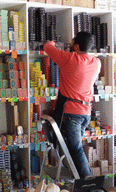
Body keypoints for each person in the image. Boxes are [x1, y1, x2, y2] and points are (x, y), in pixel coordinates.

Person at [43, 31, 101, 178]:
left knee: (76, 150)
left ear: (76, 46)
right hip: (86, 112)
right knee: (74, 148)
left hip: (72, 113)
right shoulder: (96, 62)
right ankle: (77, 177)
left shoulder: (68, 58)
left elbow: (47, 47)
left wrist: (53, 42)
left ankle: (87, 183)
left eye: (72, 42)